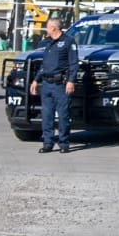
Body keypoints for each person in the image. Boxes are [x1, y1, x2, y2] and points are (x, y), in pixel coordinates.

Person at [29, 18, 77, 154]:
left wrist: (71, 81)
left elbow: (74, 64)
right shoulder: (48, 43)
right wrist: (35, 80)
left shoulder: (68, 42)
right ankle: (48, 143)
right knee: (47, 115)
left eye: (48, 27)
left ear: (54, 28)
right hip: (47, 84)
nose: (46, 29)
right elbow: (44, 65)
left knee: (63, 115)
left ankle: (64, 143)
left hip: (60, 85)